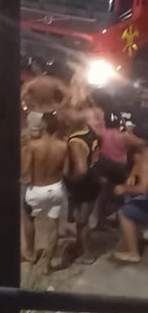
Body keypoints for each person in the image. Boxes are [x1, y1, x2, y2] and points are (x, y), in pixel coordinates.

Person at [22, 113, 69, 270]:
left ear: (44, 126)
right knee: (53, 224)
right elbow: (66, 171)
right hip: (55, 188)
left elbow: (27, 173)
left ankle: (30, 253)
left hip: (36, 189)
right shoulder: (63, 146)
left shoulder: (33, 146)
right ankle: (47, 265)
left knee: (29, 217)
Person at [63, 107, 101, 262]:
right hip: (94, 180)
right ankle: (81, 246)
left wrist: (68, 180)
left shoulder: (75, 142)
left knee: (82, 221)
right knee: (81, 219)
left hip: (84, 185)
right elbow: (95, 157)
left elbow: (82, 170)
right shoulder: (89, 132)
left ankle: (88, 255)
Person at [114, 147, 148, 263]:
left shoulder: (145, 153)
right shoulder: (143, 153)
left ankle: (133, 253)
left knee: (125, 212)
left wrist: (124, 188)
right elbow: (139, 162)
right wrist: (133, 175)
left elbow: (142, 188)